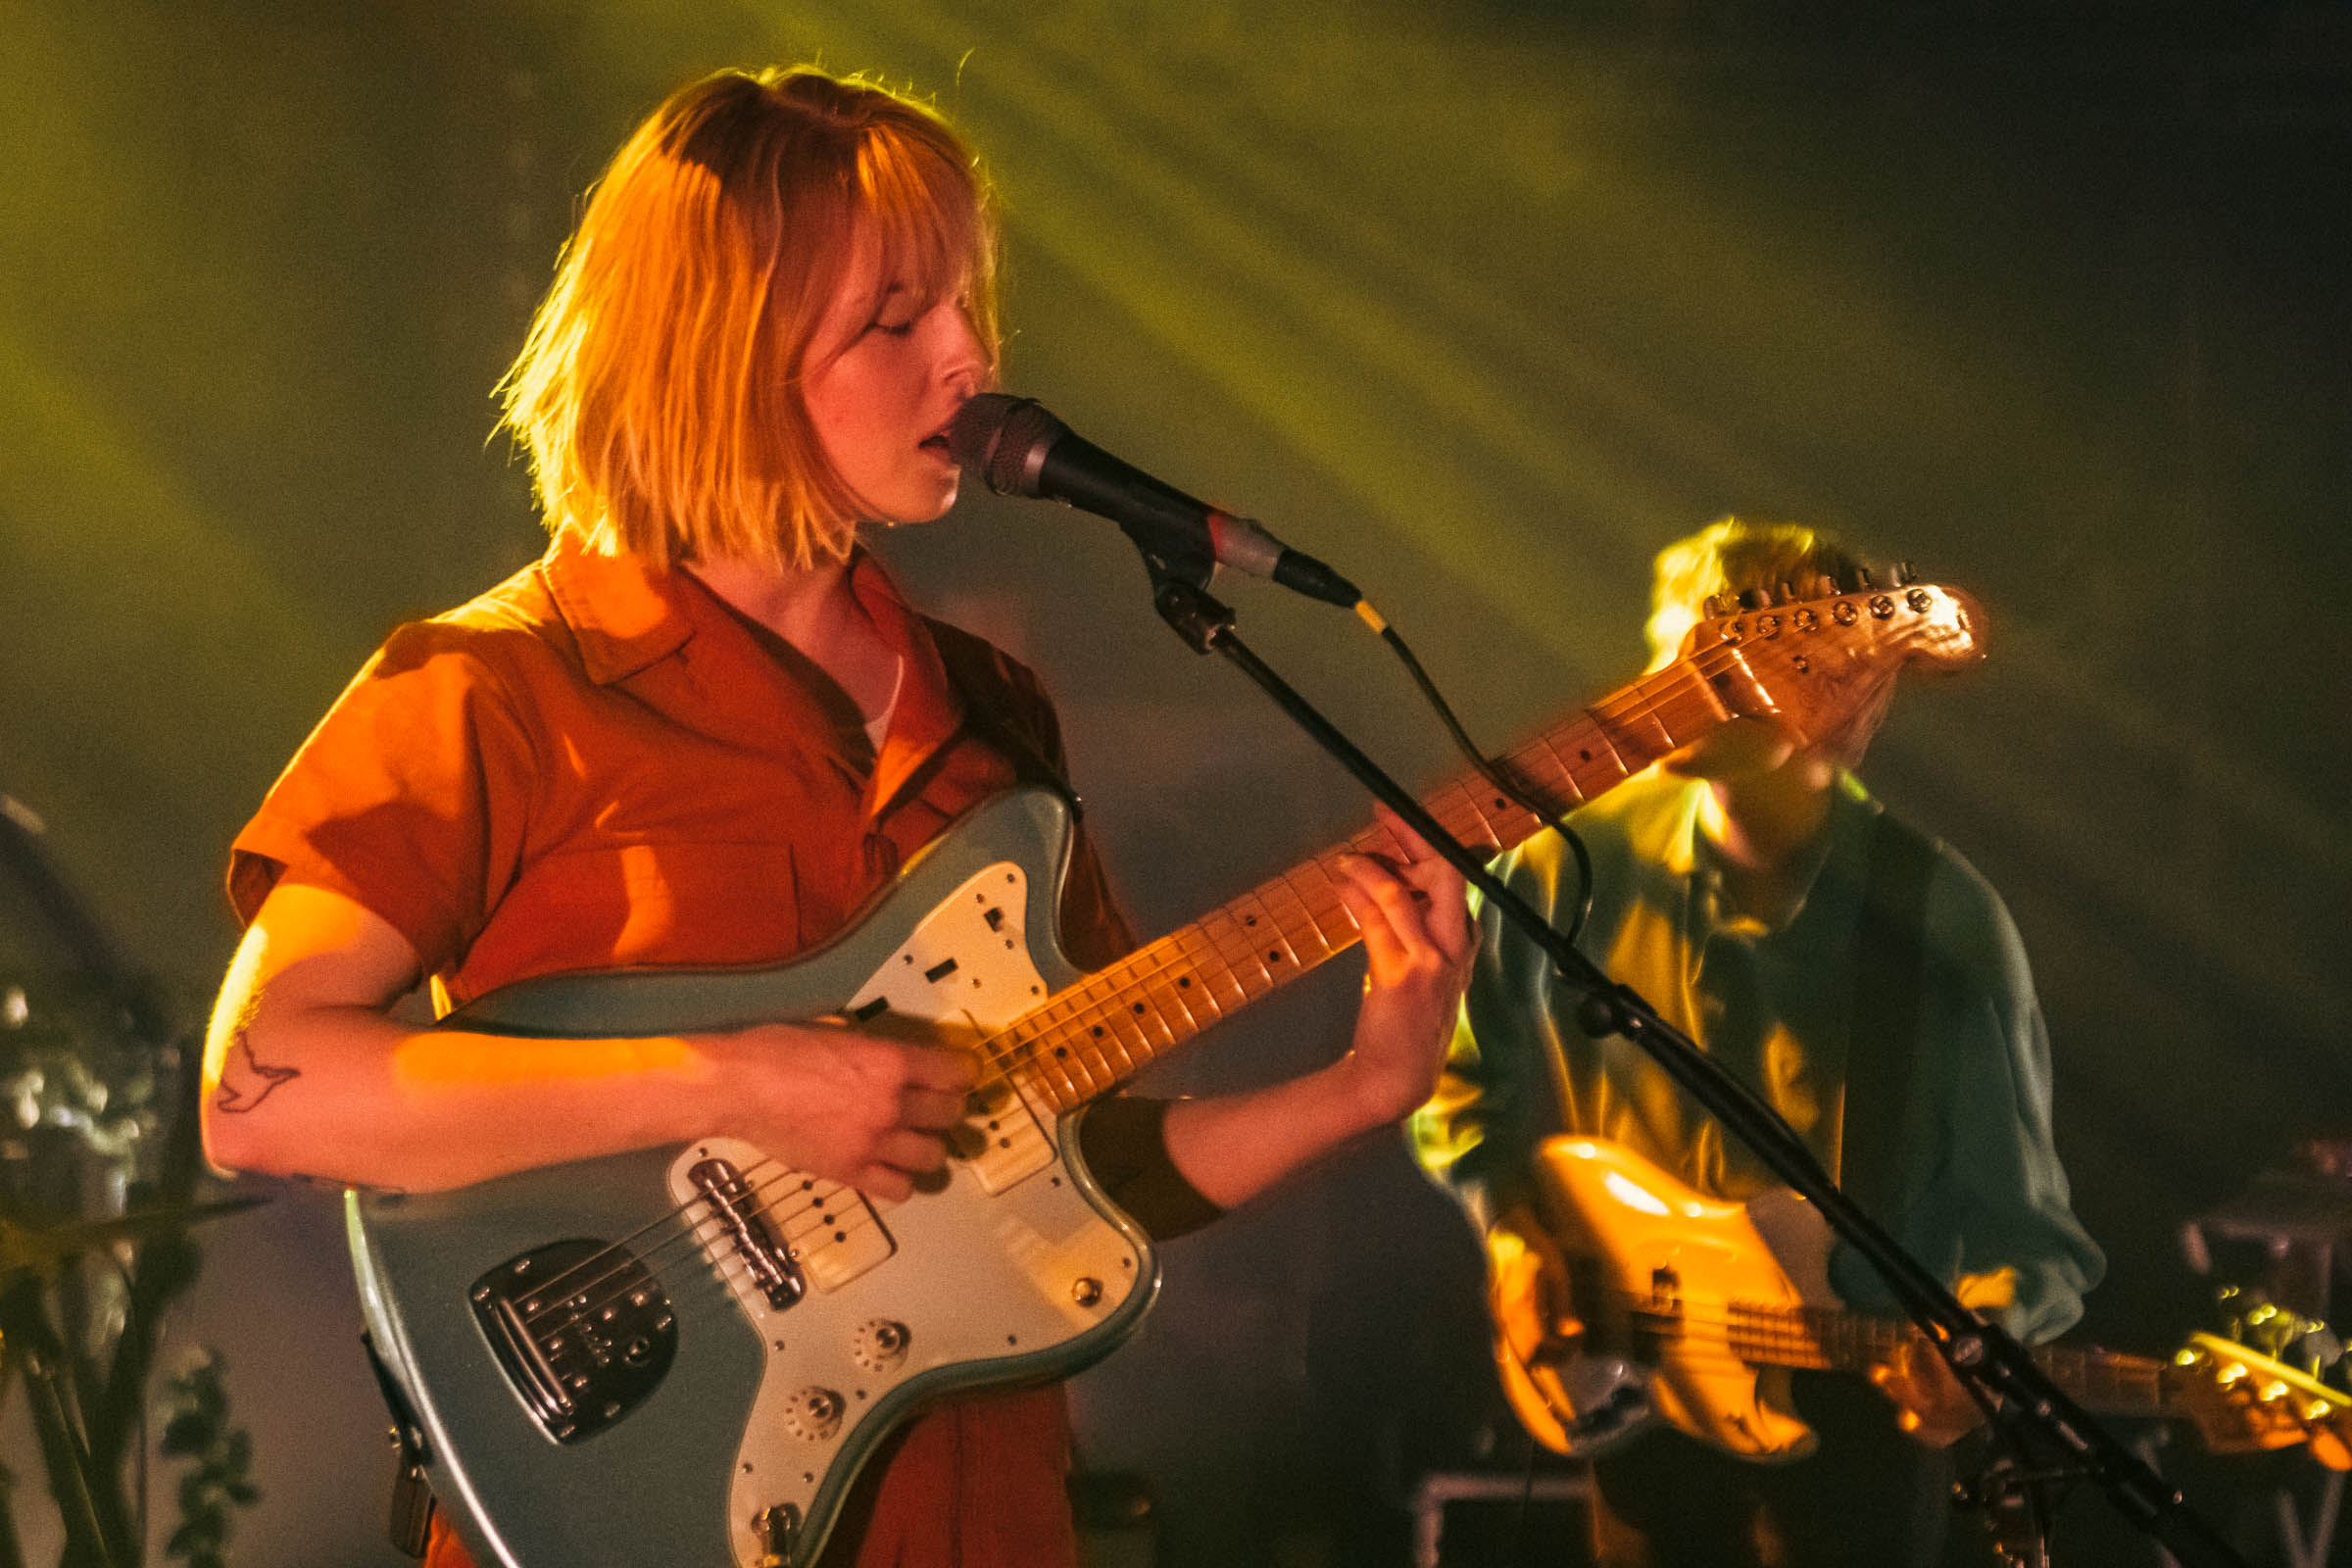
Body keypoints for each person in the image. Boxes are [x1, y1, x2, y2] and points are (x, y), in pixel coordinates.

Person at [200, 67, 1473, 1568]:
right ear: (724, 352)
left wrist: (1358, 1089)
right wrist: (732, 1081)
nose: (972, 360)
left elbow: (1063, 1171)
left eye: (969, 308)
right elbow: (264, 1090)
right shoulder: (495, 689)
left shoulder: (992, 712)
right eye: (898, 319)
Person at [1410, 518, 2105, 1566]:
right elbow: (1463, 1089)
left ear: (1848, 693)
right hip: (1638, 1388)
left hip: (1857, 1409)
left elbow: (2022, 1225)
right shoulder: (1565, 856)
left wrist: (1978, 1347)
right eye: (1667, 644)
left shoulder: (1940, 911)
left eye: (1713, 658)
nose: (1665, 685)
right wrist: (1515, 1237)